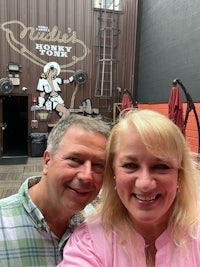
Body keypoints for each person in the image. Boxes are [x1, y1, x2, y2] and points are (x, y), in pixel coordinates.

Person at [58, 109, 200, 267]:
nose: (145, 184)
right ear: (113, 173)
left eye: (161, 166)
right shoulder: (89, 243)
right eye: (130, 165)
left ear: (179, 174)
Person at [0, 114, 110, 266]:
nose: (87, 176)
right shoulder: (3, 225)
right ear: (47, 161)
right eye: (74, 160)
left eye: (98, 165)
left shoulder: (100, 226)